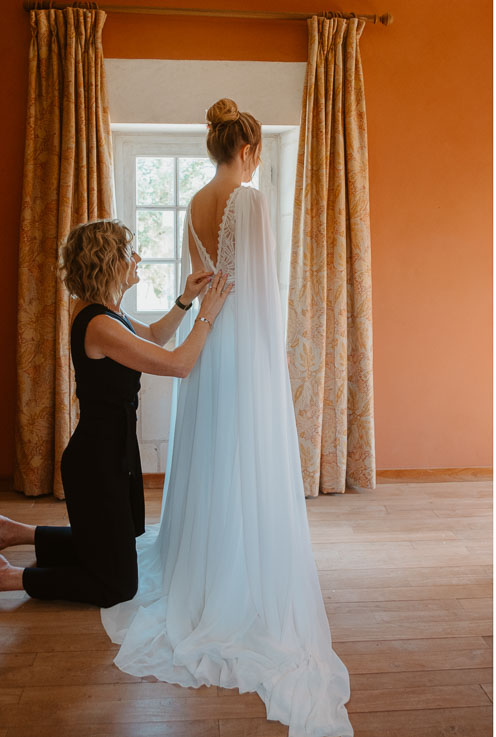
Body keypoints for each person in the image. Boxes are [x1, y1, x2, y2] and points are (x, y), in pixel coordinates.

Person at [99, 98, 353, 737]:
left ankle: (204, 561)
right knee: (244, 449)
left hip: (204, 344)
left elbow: (204, 279)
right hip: (242, 349)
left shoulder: (193, 203)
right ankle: (239, 570)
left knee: (214, 449)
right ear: (250, 150)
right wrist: (273, 364)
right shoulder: (252, 200)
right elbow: (264, 292)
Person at [0, 221, 231, 605]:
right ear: (107, 264)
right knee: (119, 587)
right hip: (96, 463)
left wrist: (186, 299)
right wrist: (208, 313)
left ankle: (13, 532)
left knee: (112, 545)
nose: (137, 258)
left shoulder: (105, 312)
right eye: (128, 254)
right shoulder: (100, 324)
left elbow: (156, 336)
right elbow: (178, 364)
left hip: (109, 453)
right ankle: (13, 578)